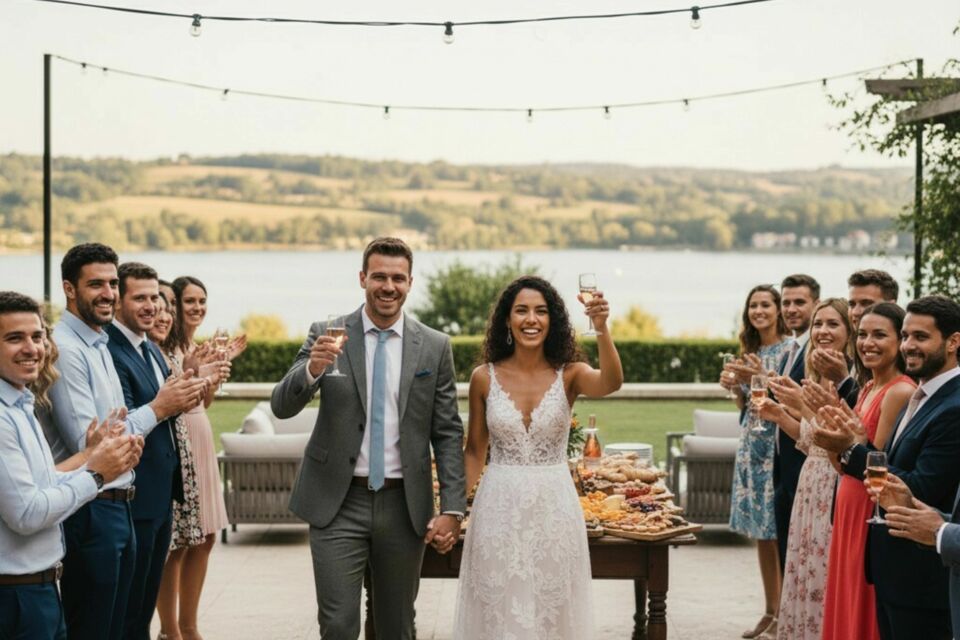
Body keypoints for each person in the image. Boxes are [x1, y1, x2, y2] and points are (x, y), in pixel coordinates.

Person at [271, 237, 466, 640]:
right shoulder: (326, 334)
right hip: (337, 502)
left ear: (410, 282)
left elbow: (447, 431)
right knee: (338, 624)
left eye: (398, 278)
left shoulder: (434, 346)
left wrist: (452, 507)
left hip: (403, 505)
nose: (388, 287)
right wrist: (312, 370)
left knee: (397, 626)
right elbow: (282, 405)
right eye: (379, 277)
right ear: (362, 278)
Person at [47, 243, 204, 640]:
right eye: (96, 284)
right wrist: (159, 407)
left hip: (121, 501)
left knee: (127, 626)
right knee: (95, 628)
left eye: (112, 283)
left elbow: (118, 428)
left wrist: (153, 411)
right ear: (69, 289)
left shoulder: (98, 343)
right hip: (91, 508)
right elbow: (91, 447)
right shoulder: (68, 349)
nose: (108, 294)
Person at [453, 275, 623, 638]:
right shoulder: (483, 378)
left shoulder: (571, 374)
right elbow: (475, 452)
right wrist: (450, 511)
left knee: (553, 613)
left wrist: (601, 327)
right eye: (522, 311)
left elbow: (611, 382)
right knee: (497, 610)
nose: (531, 319)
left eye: (541, 311)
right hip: (497, 510)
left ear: (552, 320)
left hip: (554, 511)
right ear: (507, 320)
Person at [814, 295, 960, 640]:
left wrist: (852, 449)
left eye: (921, 337)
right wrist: (853, 444)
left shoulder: (953, 406)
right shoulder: (922, 395)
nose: (909, 346)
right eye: (906, 336)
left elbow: (920, 488)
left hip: (922, 580)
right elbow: (889, 462)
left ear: (954, 342)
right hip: (891, 572)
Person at [0, 290, 140, 640]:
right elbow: (27, 514)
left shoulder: (20, 404)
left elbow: (45, 483)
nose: (32, 348)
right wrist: (96, 475)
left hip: (40, 590)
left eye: (37, 336)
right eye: (14, 338)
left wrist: (92, 458)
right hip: (16, 598)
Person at [105, 262, 209, 640]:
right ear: (118, 300)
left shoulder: (149, 347)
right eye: (140, 298)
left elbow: (169, 408)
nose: (151, 307)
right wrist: (166, 403)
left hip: (162, 496)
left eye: (156, 298)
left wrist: (189, 390)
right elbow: (127, 418)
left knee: (144, 606)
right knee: (129, 610)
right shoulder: (112, 350)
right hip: (135, 495)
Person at [758, 298, 852, 639]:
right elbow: (810, 437)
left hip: (832, 482)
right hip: (809, 483)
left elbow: (839, 435)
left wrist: (800, 404)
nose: (823, 331)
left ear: (849, 331)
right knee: (804, 566)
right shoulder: (818, 374)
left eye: (832, 324)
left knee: (823, 571)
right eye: (818, 324)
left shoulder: (850, 378)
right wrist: (780, 415)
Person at [820, 303, 914, 640]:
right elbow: (844, 462)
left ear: (900, 341)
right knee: (845, 595)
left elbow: (875, 460)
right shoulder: (866, 388)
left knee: (863, 600)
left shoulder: (899, 391)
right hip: (847, 501)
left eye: (879, 335)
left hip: (868, 506)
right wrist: (831, 438)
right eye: (862, 334)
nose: (867, 343)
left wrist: (846, 444)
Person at [155, 276, 236, 640]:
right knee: (178, 542)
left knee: (205, 537)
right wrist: (194, 372)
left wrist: (212, 380)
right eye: (188, 301)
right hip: (180, 441)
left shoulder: (191, 346)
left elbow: (203, 402)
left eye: (202, 301)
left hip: (200, 438)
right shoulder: (163, 345)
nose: (196, 308)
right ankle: (172, 629)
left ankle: (189, 625)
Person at [722, 285, 790, 639]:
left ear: (778, 310)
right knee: (762, 535)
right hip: (752, 444)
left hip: (777, 446)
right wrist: (735, 387)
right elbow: (745, 405)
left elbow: (788, 398)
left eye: (766, 304)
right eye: (753, 305)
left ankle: (785, 614)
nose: (759, 311)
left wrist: (757, 379)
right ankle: (769, 610)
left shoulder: (790, 349)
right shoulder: (750, 351)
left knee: (777, 532)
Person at [816, 269, 900, 405]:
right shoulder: (853, 351)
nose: (856, 312)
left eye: (866, 304)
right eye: (852, 304)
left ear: (891, 305)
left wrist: (843, 380)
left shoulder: (899, 356)